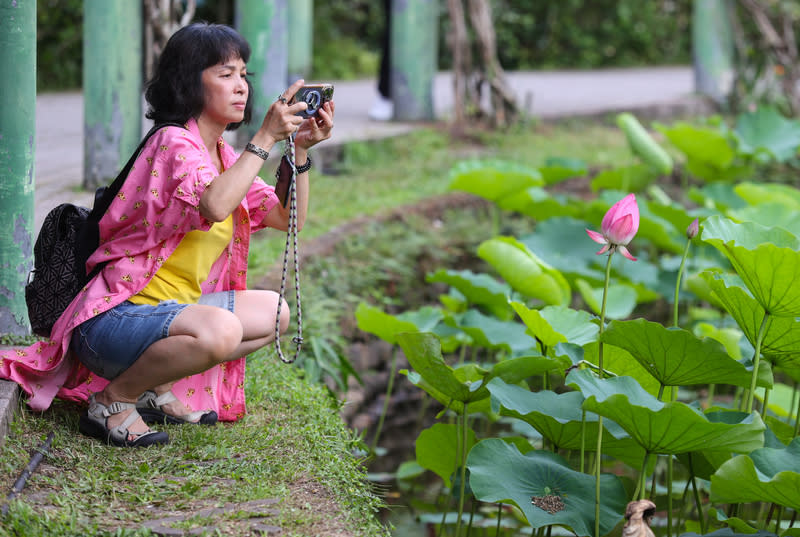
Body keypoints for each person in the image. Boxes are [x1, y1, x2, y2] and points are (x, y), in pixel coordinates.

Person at [0, 22, 334, 447]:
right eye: (225, 74)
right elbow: (214, 205)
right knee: (222, 331)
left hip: (167, 314)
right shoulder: (174, 144)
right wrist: (266, 137)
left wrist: (300, 149)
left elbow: (288, 217)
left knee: (276, 314)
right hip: (113, 318)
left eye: (243, 75)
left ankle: (153, 392)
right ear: (188, 82)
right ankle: (112, 401)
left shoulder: (222, 154)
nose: (241, 87)